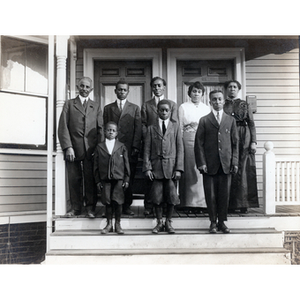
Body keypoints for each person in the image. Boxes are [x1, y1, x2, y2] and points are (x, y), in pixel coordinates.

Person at [58, 77, 103, 218]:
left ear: (91, 89)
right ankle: (76, 208)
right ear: (78, 87)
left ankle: (90, 208)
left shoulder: (95, 106)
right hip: (74, 149)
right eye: (82, 86)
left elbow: (100, 129)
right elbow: (62, 127)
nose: (84, 89)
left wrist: (98, 149)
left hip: (91, 150)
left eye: (87, 87)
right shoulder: (69, 104)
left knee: (90, 179)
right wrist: (68, 147)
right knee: (74, 179)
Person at [194, 90, 238, 234]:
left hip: (226, 164)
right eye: (214, 100)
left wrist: (234, 162)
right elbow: (198, 143)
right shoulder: (204, 120)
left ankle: (222, 222)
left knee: (224, 194)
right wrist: (201, 163)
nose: (217, 102)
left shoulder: (230, 120)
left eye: (219, 99)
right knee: (210, 194)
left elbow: (235, 143)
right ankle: (212, 221)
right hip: (209, 164)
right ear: (210, 102)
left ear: (223, 101)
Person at [143, 100, 184, 234]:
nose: (164, 112)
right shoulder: (151, 128)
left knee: (171, 196)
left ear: (170, 111)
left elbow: (180, 148)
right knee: (157, 196)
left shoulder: (175, 127)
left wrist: (178, 168)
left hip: (171, 168)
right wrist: (148, 168)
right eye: (162, 110)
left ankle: (169, 222)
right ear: (157, 111)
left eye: (167, 110)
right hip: (156, 168)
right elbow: (147, 149)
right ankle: (159, 222)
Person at [103, 79, 142, 216]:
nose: (122, 92)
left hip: (129, 148)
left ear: (128, 92)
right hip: (113, 149)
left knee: (128, 177)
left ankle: (127, 205)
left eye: (124, 90)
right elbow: (105, 128)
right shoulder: (108, 108)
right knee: (113, 177)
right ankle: (113, 205)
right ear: (115, 91)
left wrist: (136, 146)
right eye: (119, 89)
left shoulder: (135, 108)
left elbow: (138, 129)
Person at [141, 76, 178, 216]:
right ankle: (149, 206)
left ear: (164, 87)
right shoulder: (146, 105)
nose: (157, 88)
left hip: (168, 147)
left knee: (168, 181)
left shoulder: (172, 105)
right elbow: (143, 124)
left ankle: (168, 208)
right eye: (154, 86)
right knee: (150, 179)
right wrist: (148, 138)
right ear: (151, 87)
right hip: (152, 145)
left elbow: (174, 124)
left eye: (159, 85)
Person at [223, 80, 259, 213]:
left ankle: (243, 204)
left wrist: (253, 141)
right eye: (230, 87)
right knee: (230, 167)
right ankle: (230, 204)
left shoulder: (244, 104)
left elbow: (251, 124)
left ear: (238, 89)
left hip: (244, 136)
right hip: (228, 136)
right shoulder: (223, 104)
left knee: (243, 169)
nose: (232, 89)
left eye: (234, 87)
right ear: (226, 89)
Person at [178, 81, 211, 212]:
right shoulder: (183, 107)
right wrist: (180, 142)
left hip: (203, 140)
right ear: (189, 93)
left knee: (200, 169)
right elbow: (180, 126)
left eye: (199, 92)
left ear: (202, 94)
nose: (196, 94)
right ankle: (187, 202)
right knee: (189, 169)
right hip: (188, 139)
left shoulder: (206, 108)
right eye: (194, 91)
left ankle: (202, 203)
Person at [94, 122, 130, 234]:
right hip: (105, 179)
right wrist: (98, 181)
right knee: (108, 202)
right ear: (105, 131)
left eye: (113, 130)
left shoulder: (121, 146)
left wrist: (126, 179)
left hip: (118, 179)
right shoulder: (100, 147)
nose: (111, 132)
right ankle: (109, 224)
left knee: (118, 202)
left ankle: (118, 224)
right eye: (109, 130)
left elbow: (126, 164)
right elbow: (95, 166)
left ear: (117, 133)